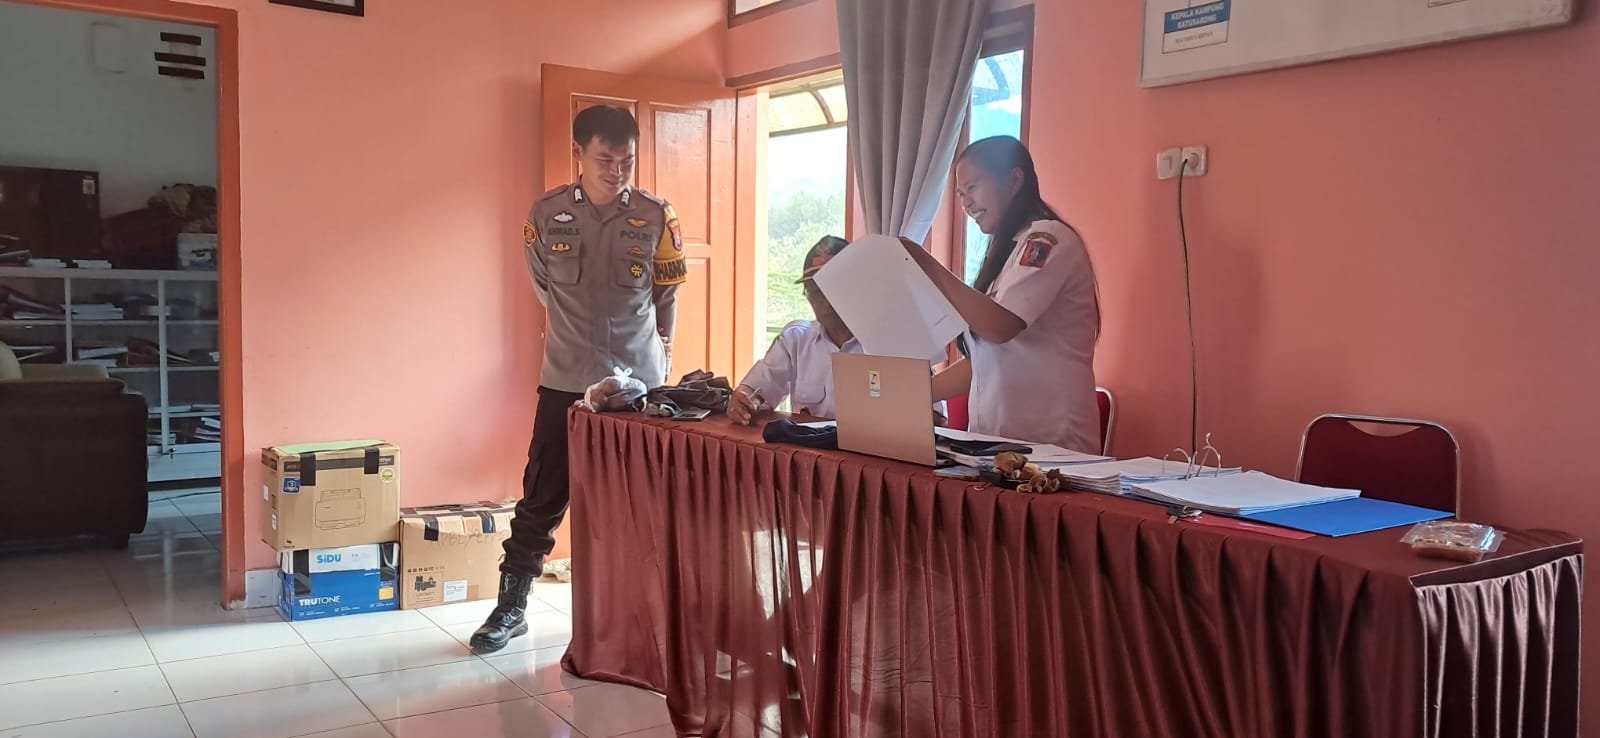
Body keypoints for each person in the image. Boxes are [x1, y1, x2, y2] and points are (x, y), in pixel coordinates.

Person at [471, 105, 687, 654]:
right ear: (579, 155)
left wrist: (662, 354)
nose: (617, 171)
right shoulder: (545, 215)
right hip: (566, 379)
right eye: (605, 159)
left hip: (639, 387)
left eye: (627, 161)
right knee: (542, 496)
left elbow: (666, 293)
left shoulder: (657, 216)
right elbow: (545, 287)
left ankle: (645, 613)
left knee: (643, 502)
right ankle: (510, 607)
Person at [902, 135, 1101, 453]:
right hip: (998, 445)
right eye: (961, 194)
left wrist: (925, 264)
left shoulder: (1046, 239)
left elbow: (1000, 327)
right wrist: (911, 393)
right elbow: (984, 363)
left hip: (1052, 447)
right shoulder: (1010, 251)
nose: (966, 203)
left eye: (973, 187)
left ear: (1014, 180)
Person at [728, 236, 859, 423]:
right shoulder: (795, 340)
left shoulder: (885, 346)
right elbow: (757, 390)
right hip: (805, 441)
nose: (825, 300)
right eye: (815, 290)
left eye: (833, 287)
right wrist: (744, 400)